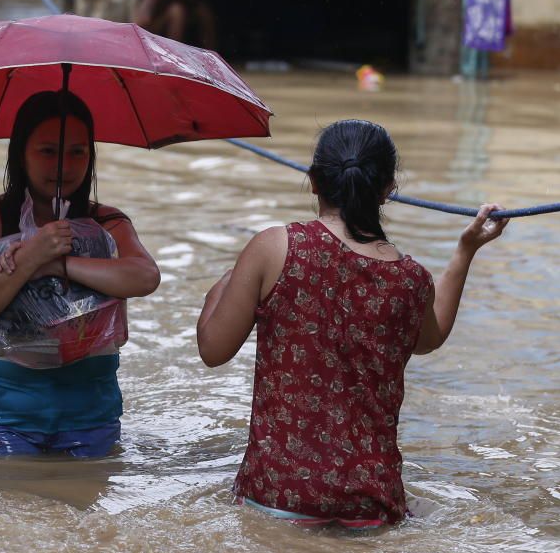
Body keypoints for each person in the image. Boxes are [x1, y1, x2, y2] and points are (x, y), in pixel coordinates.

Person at [196, 119, 508, 527]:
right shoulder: (411, 278)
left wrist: (230, 279)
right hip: (373, 503)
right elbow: (430, 338)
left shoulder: (274, 247)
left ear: (312, 181)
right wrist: (465, 251)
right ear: (389, 190)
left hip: (277, 495)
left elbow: (212, 350)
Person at [0, 90, 161, 457]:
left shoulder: (107, 222)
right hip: (2, 414)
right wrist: (30, 258)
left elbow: (144, 277)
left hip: (90, 412)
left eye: (77, 152)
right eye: (48, 151)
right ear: (20, 153)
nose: (63, 165)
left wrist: (60, 264)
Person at [134, 0, 222, 50]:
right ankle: (173, 54)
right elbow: (142, 19)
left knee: (203, 11)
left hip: (180, 32)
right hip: (151, 32)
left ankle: (210, 54)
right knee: (177, 11)